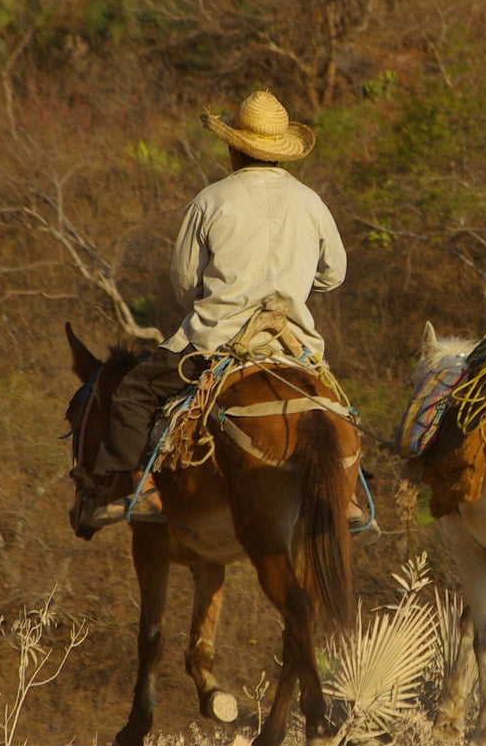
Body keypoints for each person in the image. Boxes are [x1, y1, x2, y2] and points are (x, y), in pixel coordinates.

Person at [77, 89, 347, 534]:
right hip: (292, 342)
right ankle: (351, 496)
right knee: (333, 407)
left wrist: (221, 298)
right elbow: (334, 273)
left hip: (214, 343)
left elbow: (185, 283)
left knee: (134, 392)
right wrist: (296, 289)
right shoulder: (311, 202)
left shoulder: (210, 200)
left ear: (233, 146)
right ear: (281, 152)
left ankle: (137, 489)